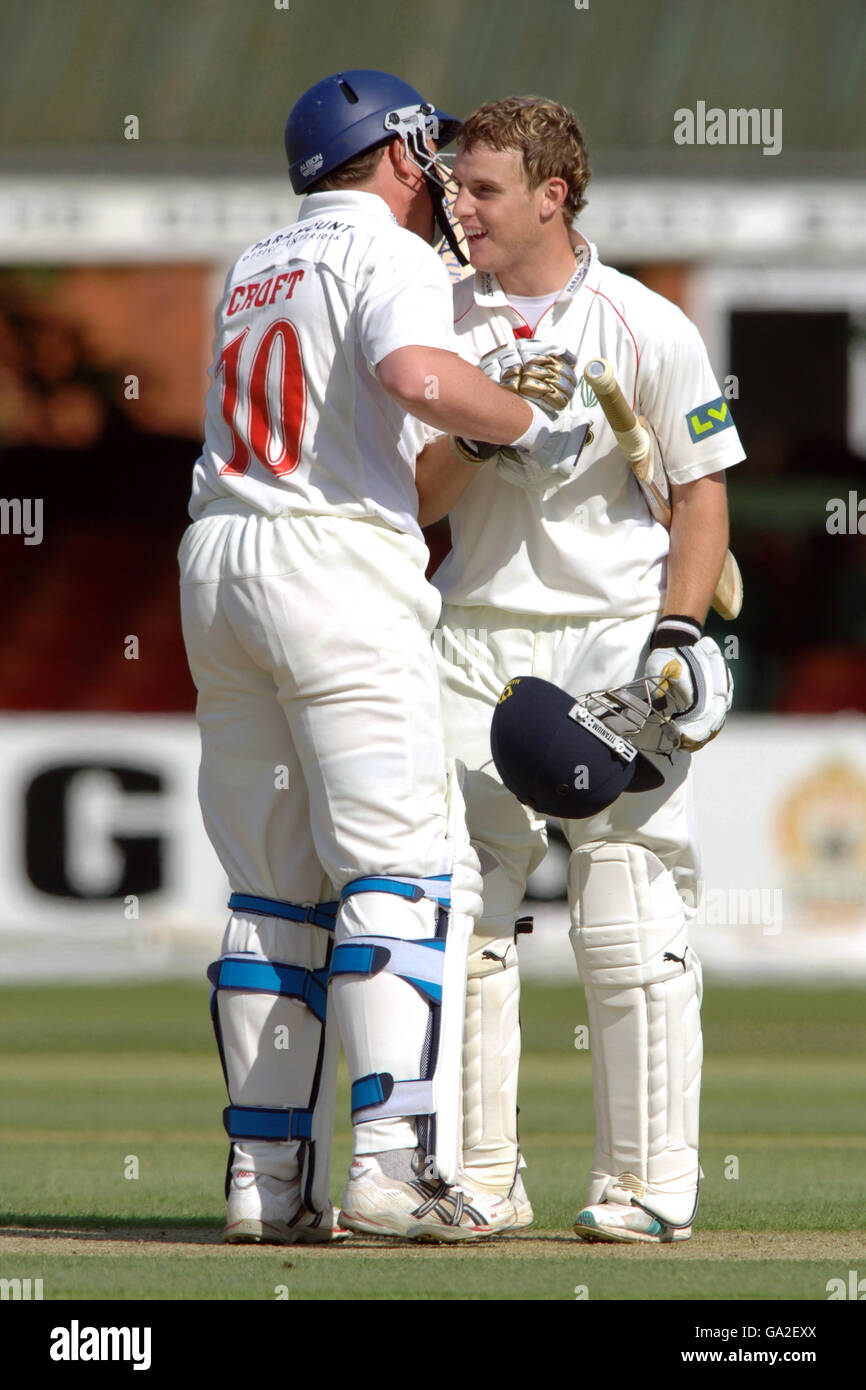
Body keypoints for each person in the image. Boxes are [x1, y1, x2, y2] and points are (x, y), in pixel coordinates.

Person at [177, 71, 579, 1244]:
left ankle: (264, 1179)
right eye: (429, 146)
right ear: (391, 151)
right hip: (331, 562)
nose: (443, 169)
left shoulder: (255, 260)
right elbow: (414, 378)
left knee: (269, 892)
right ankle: (393, 1168)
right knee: (403, 872)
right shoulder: (389, 254)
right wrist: (521, 417)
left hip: (220, 553)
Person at [415, 95, 744, 1242]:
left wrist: (676, 631)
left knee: (627, 896)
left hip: (612, 629)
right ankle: (475, 1178)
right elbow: (404, 505)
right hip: (469, 628)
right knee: (459, 909)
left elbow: (698, 491)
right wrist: (478, 431)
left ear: (552, 196)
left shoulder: (646, 323)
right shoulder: (433, 315)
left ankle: (647, 1186)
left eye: (481, 188)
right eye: (453, 185)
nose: (456, 203)